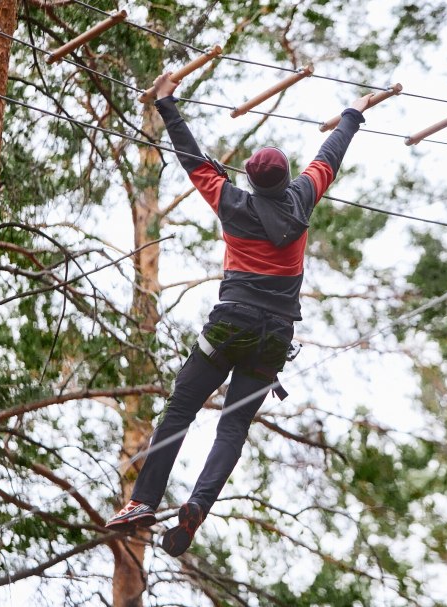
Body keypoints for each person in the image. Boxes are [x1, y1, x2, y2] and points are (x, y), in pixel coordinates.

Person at [105, 70, 370, 557]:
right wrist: (352, 116)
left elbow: (191, 157)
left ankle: (143, 500)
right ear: (288, 180)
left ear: (249, 180)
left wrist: (166, 102)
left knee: (181, 409)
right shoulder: (303, 199)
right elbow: (329, 156)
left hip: (231, 323)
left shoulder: (229, 201)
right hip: (274, 338)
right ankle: (198, 506)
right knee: (233, 427)